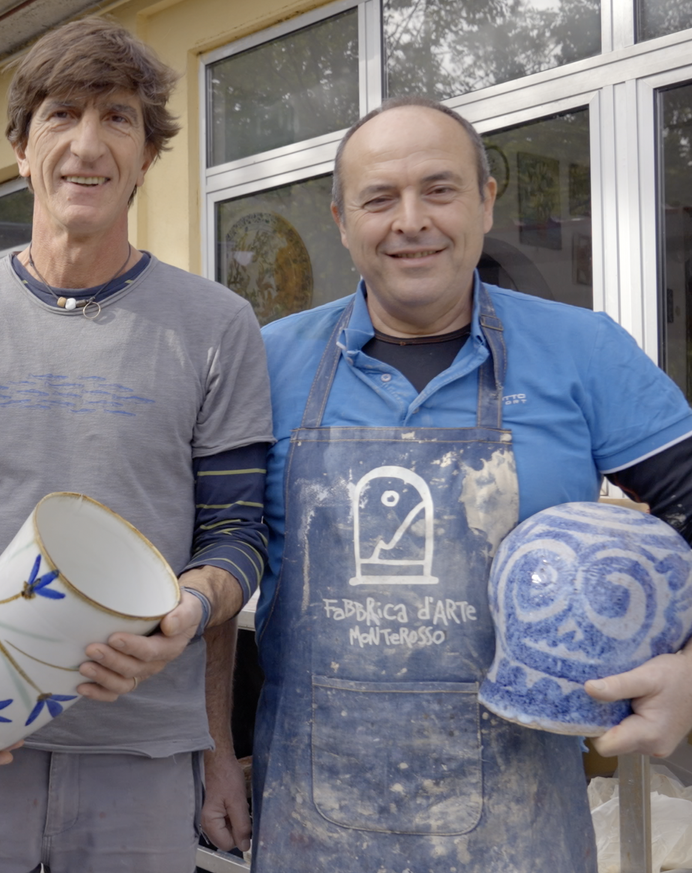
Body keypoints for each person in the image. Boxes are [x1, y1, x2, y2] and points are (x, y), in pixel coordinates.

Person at [244, 96, 692, 872]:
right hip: (311, 825)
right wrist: (217, 749)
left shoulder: (583, 351)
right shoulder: (266, 361)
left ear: (487, 202)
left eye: (440, 189)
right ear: (342, 220)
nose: (410, 220)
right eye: (379, 198)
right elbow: (220, 547)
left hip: (524, 831)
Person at [0, 18, 273, 872]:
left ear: (147, 154)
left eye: (118, 118)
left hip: (143, 749)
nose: (86, 145)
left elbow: (239, 537)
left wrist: (188, 613)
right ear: (22, 148)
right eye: (61, 115)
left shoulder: (218, 326)